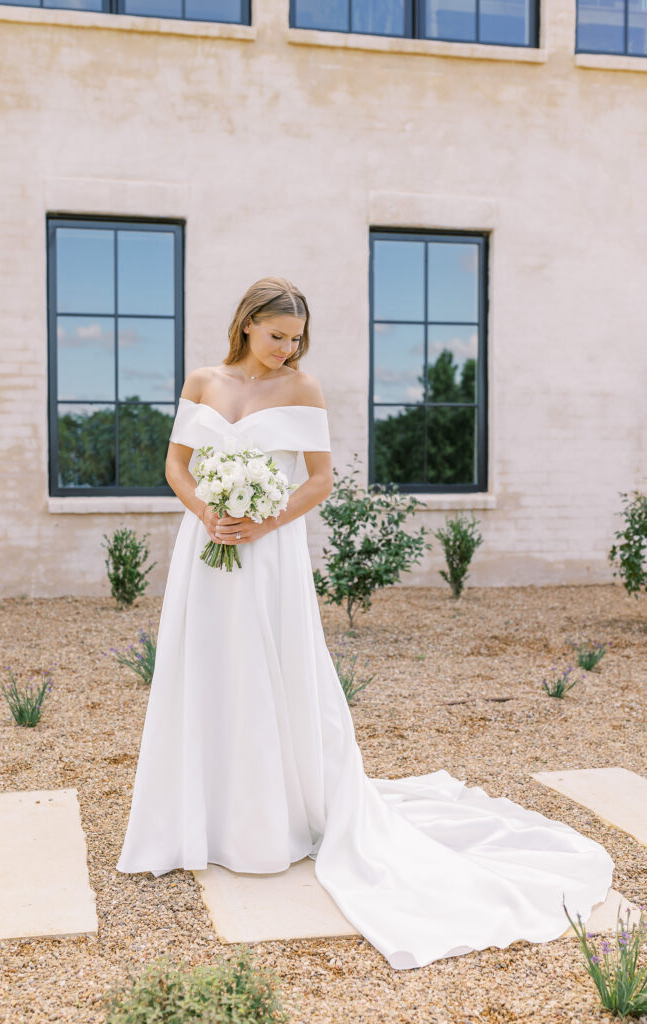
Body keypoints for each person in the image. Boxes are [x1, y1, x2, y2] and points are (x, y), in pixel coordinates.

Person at [116, 276, 614, 971]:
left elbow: (317, 481)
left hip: (268, 550)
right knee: (206, 667)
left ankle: (269, 822)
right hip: (206, 545)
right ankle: (195, 817)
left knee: (270, 668)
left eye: (295, 340)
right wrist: (209, 514)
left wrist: (260, 522)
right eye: (275, 337)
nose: (287, 350)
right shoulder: (201, 381)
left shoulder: (304, 389)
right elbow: (175, 465)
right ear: (245, 326)